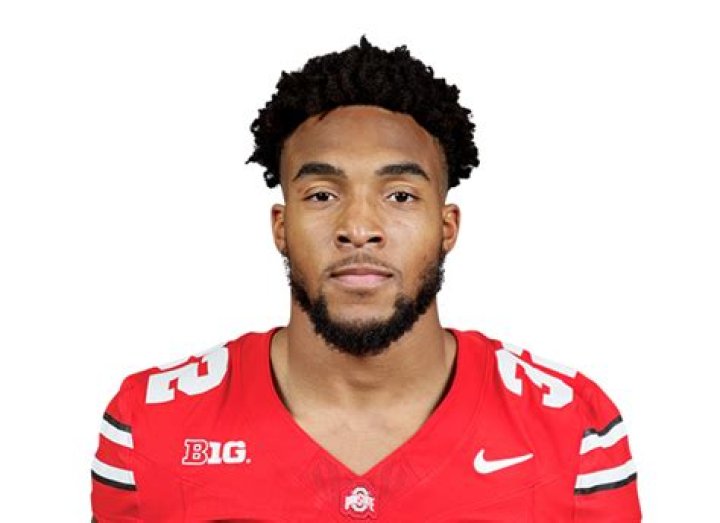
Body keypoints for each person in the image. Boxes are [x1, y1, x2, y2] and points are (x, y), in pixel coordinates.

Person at [90, 36, 641, 521]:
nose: (358, 229)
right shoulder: (152, 425)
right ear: (281, 225)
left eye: (400, 196)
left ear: (446, 226)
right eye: (321, 195)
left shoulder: (570, 428)